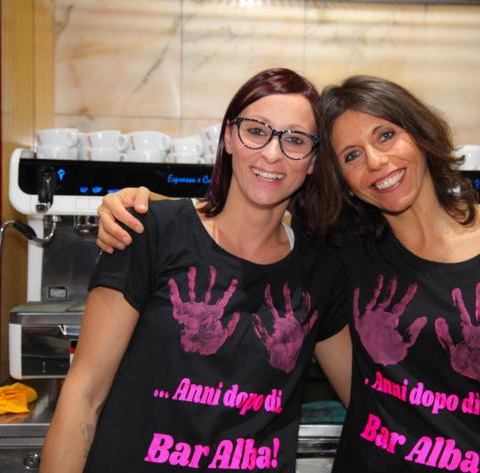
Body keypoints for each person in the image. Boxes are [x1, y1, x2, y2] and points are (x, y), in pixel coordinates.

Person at [96, 75, 480, 472]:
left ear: (420, 134)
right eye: (351, 155)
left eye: (386, 136)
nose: (376, 162)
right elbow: (248, 212)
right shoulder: (347, 247)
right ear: (339, 177)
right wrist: (143, 203)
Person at [40, 68, 352, 473]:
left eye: (295, 140)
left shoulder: (320, 269)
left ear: (312, 161)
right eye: (256, 131)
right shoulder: (150, 232)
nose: (272, 154)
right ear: (229, 138)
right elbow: (84, 394)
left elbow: (368, 398)